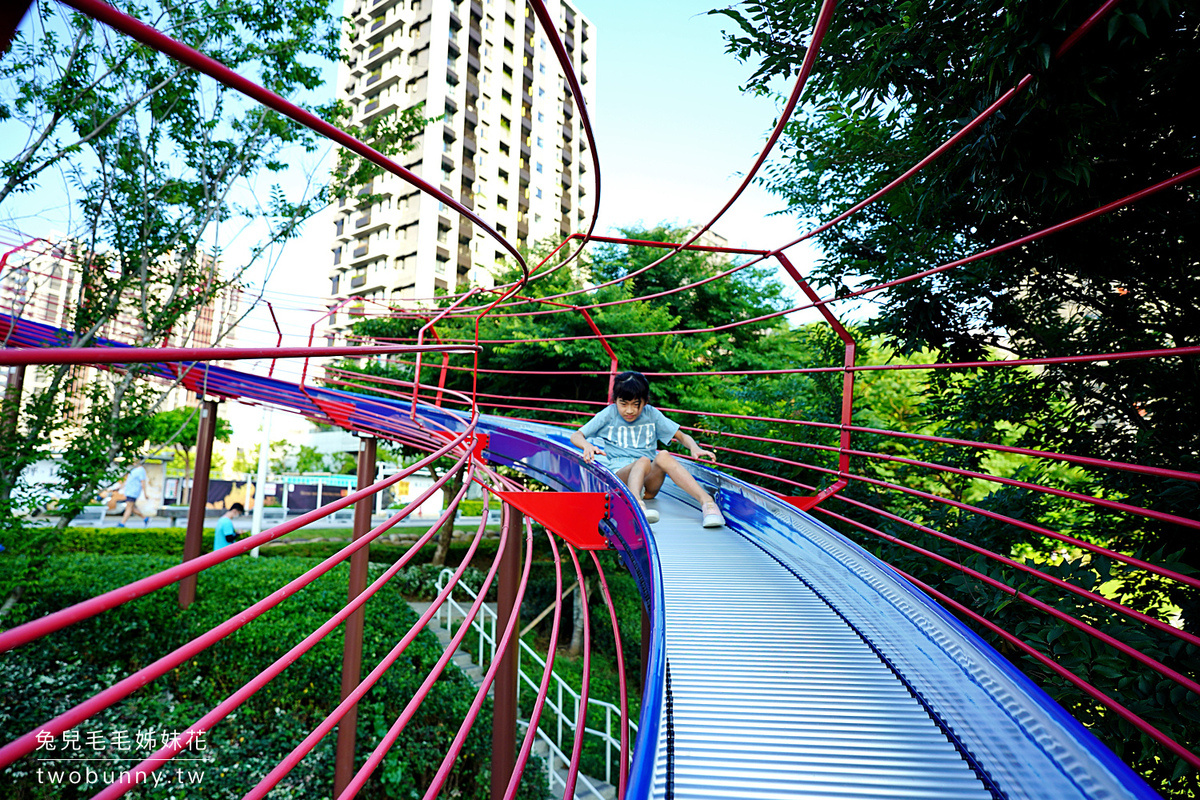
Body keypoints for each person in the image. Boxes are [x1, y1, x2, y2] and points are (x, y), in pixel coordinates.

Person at [570, 371, 725, 528]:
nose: (629, 410)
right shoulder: (609, 414)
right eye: (623, 404)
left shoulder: (651, 414)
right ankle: (636, 504)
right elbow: (576, 435)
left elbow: (681, 436)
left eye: (636, 404)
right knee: (643, 461)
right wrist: (587, 445)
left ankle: (708, 503)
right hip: (620, 479)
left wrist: (694, 447)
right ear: (615, 401)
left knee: (663, 455)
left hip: (648, 487)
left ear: (645, 402)